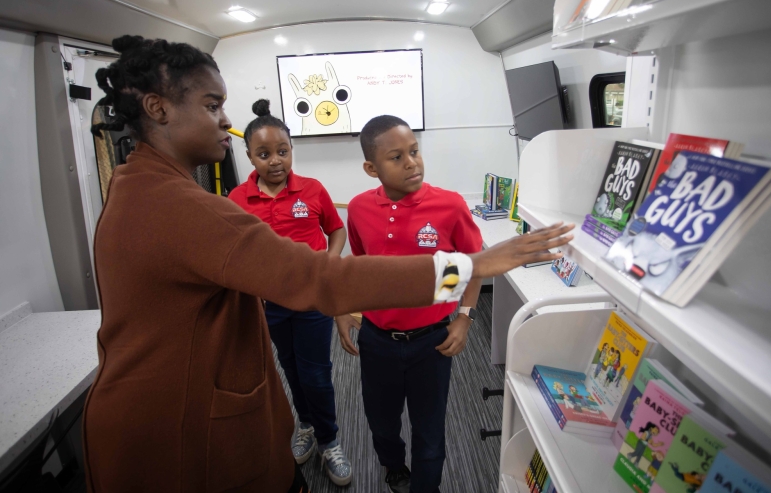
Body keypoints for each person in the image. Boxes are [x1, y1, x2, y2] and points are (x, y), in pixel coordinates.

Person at [84, 35, 574, 493]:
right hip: (180, 433)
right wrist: (469, 267)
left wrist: (463, 303)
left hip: (171, 414)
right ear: (157, 108)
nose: (224, 122)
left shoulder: (138, 188)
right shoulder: (182, 207)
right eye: (213, 106)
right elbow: (327, 276)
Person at [334, 115, 477, 493]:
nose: (411, 162)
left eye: (414, 151)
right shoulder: (361, 208)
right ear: (371, 168)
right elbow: (362, 265)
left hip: (433, 341)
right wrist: (345, 311)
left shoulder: (449, 205)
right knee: (381, 421)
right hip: (377, 339)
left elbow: (472, 266)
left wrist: (462, 316)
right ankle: (393, 467)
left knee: (429, 431)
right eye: (396, 157)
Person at [227, 99, 351, 486]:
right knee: (291, 369)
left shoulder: (312, 190)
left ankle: (330, 440)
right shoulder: (237, 199)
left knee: (316, 373)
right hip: (270, 305)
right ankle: (307, 426)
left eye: (282, 151)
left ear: (291, 150)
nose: (275, 161)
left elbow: (337, 230)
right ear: (249, 156)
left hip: (313, 300)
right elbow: (236, 251)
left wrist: (329, 263)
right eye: (264, 154)